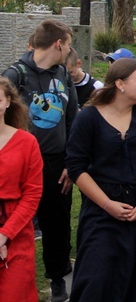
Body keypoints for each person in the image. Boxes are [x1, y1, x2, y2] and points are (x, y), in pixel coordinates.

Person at [65, 59, 136, 301]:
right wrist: (108, 205)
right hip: (102, 213)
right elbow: (76, 168)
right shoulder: (88, 118)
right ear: (120, 83)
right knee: (97, 280)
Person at [2, 19, 78, 301]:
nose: (69, 50)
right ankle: (12, 274)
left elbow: (72, 117)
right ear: (58, 44)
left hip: (58, 163)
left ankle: (57, 277)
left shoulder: (63, 74)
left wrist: (72, 161)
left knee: (57, 221)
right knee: (19, 219)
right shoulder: (16, 75)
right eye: (68, 44)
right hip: (23, 163)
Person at [0, 77, 43, 301]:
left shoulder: (27, 143)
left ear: (8, 102)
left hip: (16, 232)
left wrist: (4, 235)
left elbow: (32, 194)